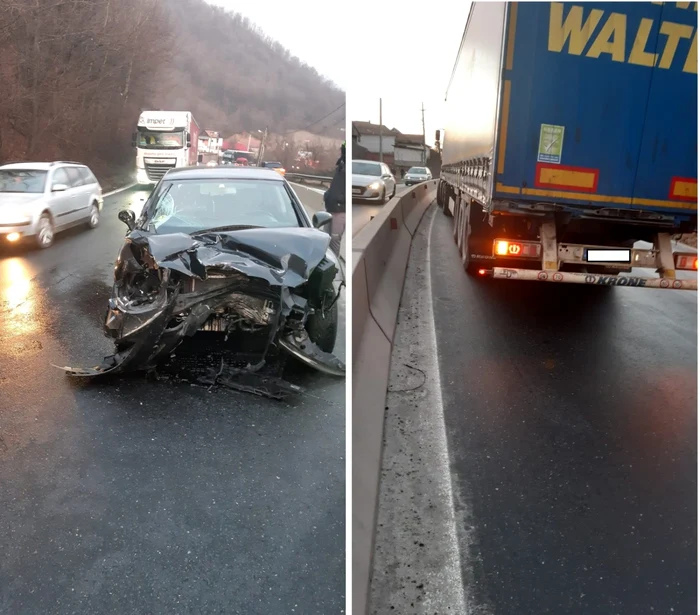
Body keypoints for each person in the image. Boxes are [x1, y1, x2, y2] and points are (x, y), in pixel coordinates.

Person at [323, 141, 345, 256]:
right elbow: (335, 186)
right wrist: (328, 195)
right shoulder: (340, 166)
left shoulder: (347, 167)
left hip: (340, 210)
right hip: (330, 207)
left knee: (335, 241)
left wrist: (340, 199)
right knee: (326, 240)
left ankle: (335, 269)